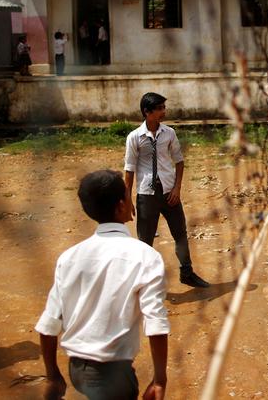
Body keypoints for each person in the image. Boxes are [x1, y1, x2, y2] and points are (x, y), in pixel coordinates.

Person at [36, 170, 169, 400]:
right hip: (115, 376)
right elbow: (155, 322)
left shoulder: (69, 257)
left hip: (76, 370)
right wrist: (159, 380)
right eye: (128, 195)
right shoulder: (145, 256)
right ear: (120, 206)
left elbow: (49, 325)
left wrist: (52, 375)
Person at [124, 92, 209, 288]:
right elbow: (129, 170)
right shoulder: (134, 138)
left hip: (169, 191)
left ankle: (187, 272)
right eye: (159, 108)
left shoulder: (169, 133)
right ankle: (142, 282)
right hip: (147, 194)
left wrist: (177, 189)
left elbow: (179, 161)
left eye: (164, 107)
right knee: (145, 240)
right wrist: (127, 198)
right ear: (147, 112)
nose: (164, 112)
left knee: (180, 232)